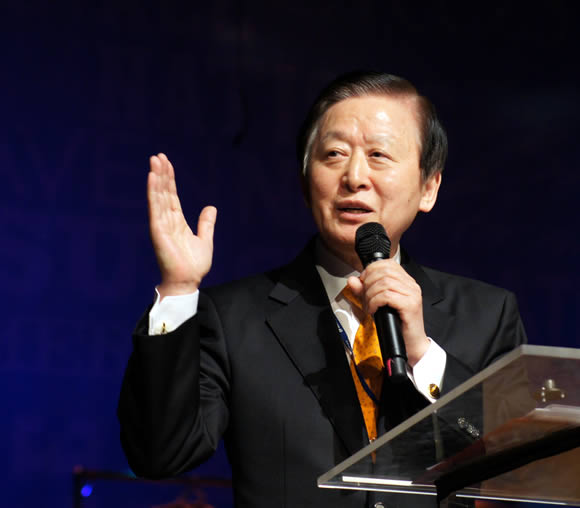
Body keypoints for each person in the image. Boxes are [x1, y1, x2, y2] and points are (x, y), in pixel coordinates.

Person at [118, 71, 527, 508]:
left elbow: (518, 470)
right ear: (304, 180)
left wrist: (423, 356)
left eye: (378, 155)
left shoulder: (488, 315)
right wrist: (179, 289)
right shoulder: (234, 318)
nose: (354, 176)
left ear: (429, 187)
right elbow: (160, 454)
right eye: (334, 154)